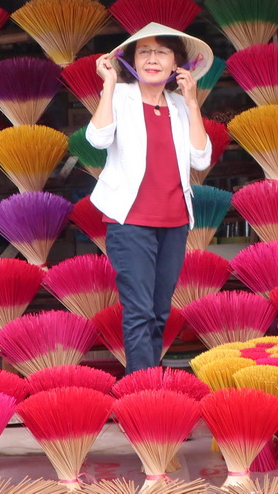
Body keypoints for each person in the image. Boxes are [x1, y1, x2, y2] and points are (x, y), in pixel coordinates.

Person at [85, 21, 213, 373]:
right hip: (131, 223)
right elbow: (97, 138)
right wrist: (108, 85)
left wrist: (192, 102)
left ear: (177, 63)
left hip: (174, 222)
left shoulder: (179, 104)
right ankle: (141, 395)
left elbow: (201, 158)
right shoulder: (121, 97)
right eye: (144, 52)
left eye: (161, 52)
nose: (152, 59)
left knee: (159, 311)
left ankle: (148, 387)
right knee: (139, 311)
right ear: (132, 61)